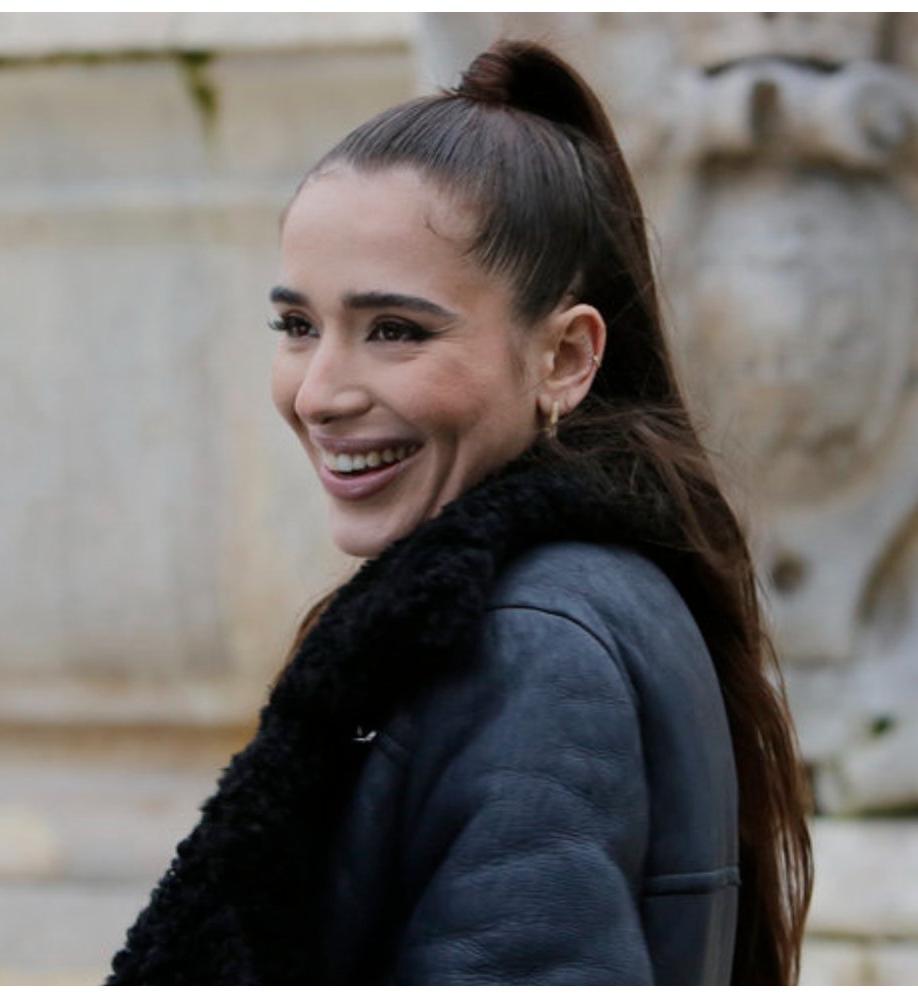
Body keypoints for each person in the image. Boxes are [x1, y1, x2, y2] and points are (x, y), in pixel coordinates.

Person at [107, 39, 813, 986]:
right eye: (297, 326)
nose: (318, 392)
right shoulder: (574, 588)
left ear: (565, 357)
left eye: (395, 331)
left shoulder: (524, 641)